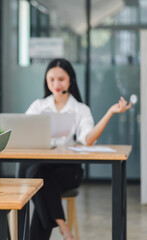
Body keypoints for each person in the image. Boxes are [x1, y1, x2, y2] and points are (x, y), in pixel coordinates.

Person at [24, 58, 132, 240]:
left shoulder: (80, 110)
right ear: (46, 81)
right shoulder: (39, 106)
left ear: (70, 81)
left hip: (69, 170)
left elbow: (88, 140)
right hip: (43, 165)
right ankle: (64, 228)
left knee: (38, 180)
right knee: (39, 177)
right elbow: (24, 131)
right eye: (51, 79)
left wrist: (110, 113)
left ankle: (64, 229)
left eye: (61, 79)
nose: (56, 84)